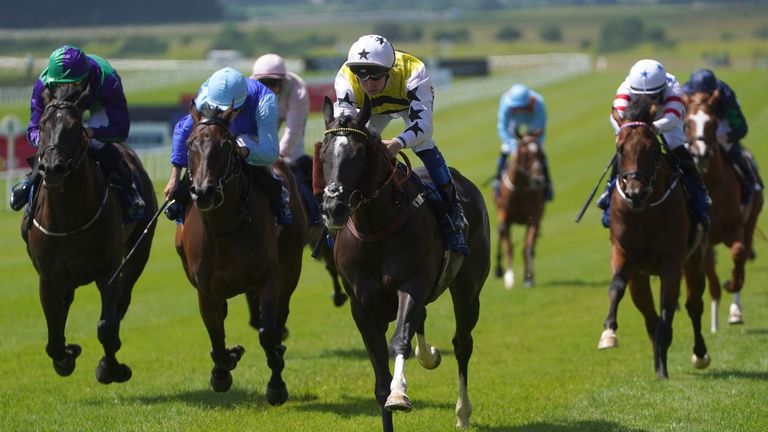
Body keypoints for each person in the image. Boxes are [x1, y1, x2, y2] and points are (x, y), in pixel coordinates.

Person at [334, 34, 469, 255]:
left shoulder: (414, 72)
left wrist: (398, 143)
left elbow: (423, 126)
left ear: (389, 70)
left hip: (406, 106)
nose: (368, 83)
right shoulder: (345, 77)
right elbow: (345, 125)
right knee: (349, 147)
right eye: (362, 76)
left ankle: (453, 208)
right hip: (370, 111)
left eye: (375, 77)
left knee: (423, 144)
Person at [10, 44, 146, 221]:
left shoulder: (107, 81)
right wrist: (48, 140)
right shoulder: (43, 84)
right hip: (60, 110)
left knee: (96, 143)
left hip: (97, 103)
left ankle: (128, 189)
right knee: (52, 138)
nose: (66, 91)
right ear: (52, 82)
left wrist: (92, 132)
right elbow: (34, 128)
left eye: (73, 85)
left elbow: (121, 129)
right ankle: (30, 183)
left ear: (86, 78)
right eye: (59, 85)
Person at [163, 67, 291, 225]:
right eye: (218, 110)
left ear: (240, 105)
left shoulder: (265, 100)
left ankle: (279, 200)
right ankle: (180, 202)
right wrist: (174, 177)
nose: (223, 116)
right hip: (217, 138)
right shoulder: (207, 93)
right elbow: (183, 130)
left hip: (249, 139)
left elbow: (270, 153)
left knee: (245, 140)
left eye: (228, 111)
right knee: (202, 146)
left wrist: (243, 152)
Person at [597, 58, 711, 230]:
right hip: (635, 119)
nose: (648, 100)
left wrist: (653, 128)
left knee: (677, 148)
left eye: (652, 96)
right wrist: (623, 132)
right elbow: (616, 114)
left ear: (662, 89)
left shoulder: (672, 87)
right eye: (642, 96)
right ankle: (609, 194)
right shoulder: (626, 87)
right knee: (626, 151)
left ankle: (699, 196)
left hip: (665, 119)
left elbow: (672, 118)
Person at [251, 53, 319, 224]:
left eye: (273, 83)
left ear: (283, 81)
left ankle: (315, 217)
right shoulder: (249, 89)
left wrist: (276, 156)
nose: (267, 88)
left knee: (291, 158)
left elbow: (292, 131)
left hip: (289, 113)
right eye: (263, 83)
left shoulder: (298, 90)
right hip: (265, 118)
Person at [682, 68, 760, 206]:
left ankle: (749, 184)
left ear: (713, 93)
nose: (701, 99)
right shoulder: (685, 93)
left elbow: (741, 127)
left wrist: (724, 137)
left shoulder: (726, 95)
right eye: (697, 95)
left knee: (733, 150)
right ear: (692, 92)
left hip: (720, 123)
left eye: (706, 96)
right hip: (694, 126)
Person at [495, 83, 553, 200]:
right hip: (513, 124)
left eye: (521, 107)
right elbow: (503, 127)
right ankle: (497, 182)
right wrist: (513, 147)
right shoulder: (506, 103)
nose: (519, 109)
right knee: (504, 149)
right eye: (516, 107)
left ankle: (547, 184)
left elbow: (540, 128)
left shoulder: (538, 103)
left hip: (532, 123)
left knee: (538, 151)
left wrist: (531, 140)